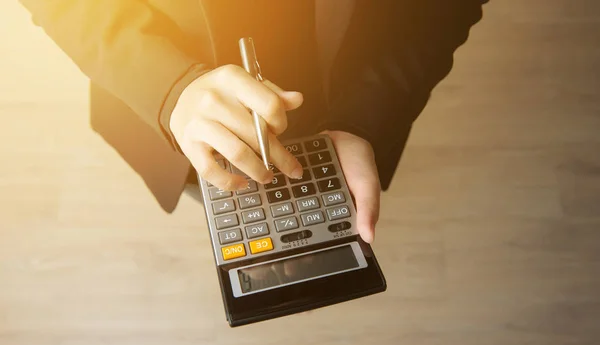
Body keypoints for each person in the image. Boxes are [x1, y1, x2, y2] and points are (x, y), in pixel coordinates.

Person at [18, 0, 487, 244]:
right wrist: (167, 86)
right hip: (165, 74)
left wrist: (367, 112)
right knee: (221, 189)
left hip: (349, 65)